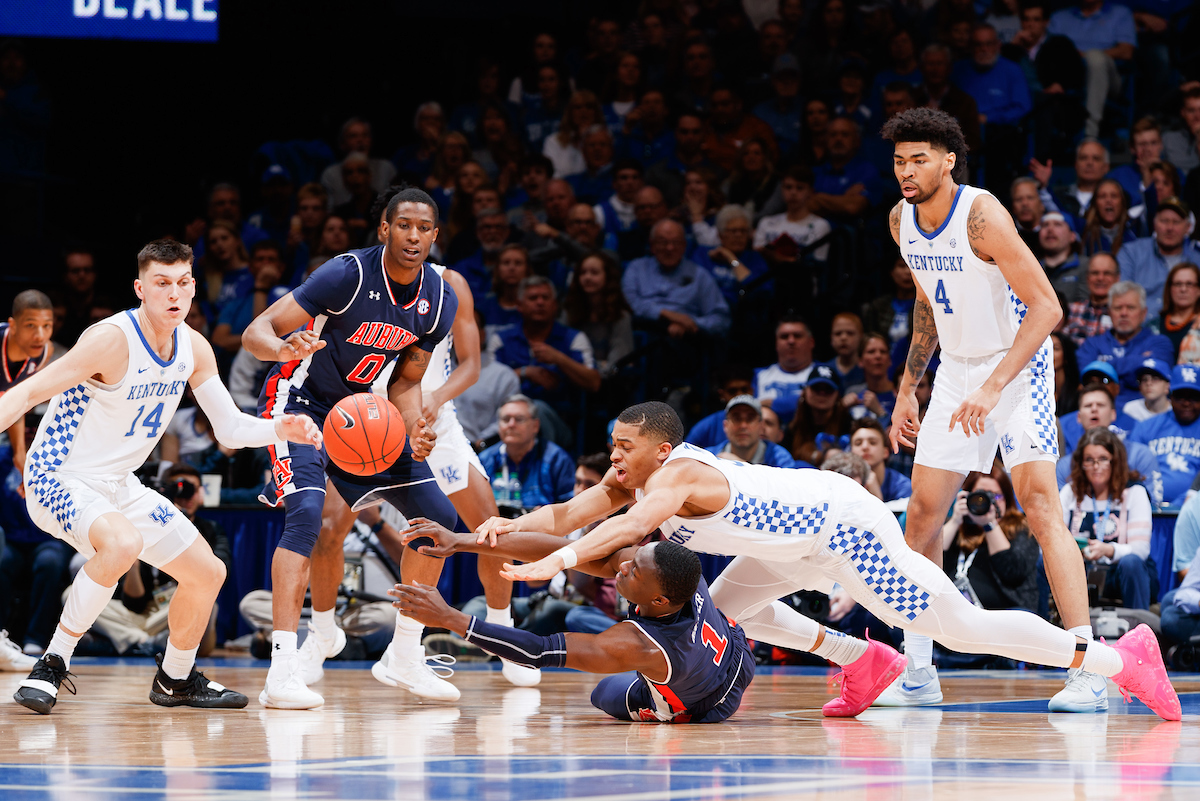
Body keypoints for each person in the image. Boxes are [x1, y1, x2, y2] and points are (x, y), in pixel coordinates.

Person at [466, 402, 1180, 721]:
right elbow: (565, 514)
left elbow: (629, 526)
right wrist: (498, 530)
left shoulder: (676, 478)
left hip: (845, 530)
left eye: (624, 448)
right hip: (793, 543)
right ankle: (862, 660)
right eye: (611, 447)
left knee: (961, 626)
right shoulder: (639, 474)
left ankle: (1119, 659)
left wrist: (555, 561)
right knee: (726, 611)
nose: (613, 459)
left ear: (660, 449)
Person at [5, 239, 322, 714]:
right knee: (122, 545)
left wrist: (282, 427)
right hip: (58, 475)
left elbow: (230, 429)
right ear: (140, 288)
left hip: (119, 481)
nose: (173, 294)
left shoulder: (194, 347)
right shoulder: (110, 339)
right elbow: (27, 392)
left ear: (193, 287)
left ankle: (175, 679)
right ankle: (51, 664)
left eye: (182, 283)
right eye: (161, 284)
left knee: (207, 572)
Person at [881, 107, 1110, 713]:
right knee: (922, 519)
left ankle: (1089, 668)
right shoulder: (900, 220)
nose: (907, 170)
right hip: (956, 370)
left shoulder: (980, 213)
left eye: (920, 159)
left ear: (949, 160)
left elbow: (1048, 308)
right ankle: (919, 671)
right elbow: (929, 306)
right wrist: (909, 387)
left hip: (1019, 361)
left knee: (1039, 507)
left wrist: (995, 386)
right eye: (900, 160)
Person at [243, 187, 463, 709]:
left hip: (365, 417)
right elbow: (257, 332)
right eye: (403, 225)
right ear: (384, 229)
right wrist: (283, 347)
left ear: (435, 235)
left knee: (439, 521)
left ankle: (404, 655)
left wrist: (415, 427)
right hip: (297, 403)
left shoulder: (440, 299)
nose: (413, 236)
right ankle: (282, 669)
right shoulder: (346, 275)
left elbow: (406, 384)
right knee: (309, 519)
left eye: (424, 228)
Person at [392, 537, 754, 723]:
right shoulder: (678, 574)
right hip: (736, 651)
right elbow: (574, 550)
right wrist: (462, 541)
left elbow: (539, 651)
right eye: (634, 558)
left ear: (658, 601)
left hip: (706, 703)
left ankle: (664, 704)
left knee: (603, 693)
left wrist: (450, 618)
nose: (625, 565)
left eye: (634, 571)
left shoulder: (642, 647)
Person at [88, 464, 232, 657]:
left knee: (206, 603)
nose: (184, 494)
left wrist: (182, 526)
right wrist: (133, 563)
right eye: (177, 488)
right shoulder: (142, 523)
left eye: (191, 489)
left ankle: (127, 642)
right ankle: (144, 642)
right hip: (142, 612)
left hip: (175, 604)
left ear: (200, 493)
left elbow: (218, 572)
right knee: (72, 594)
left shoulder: (210, 529)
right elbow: (134, 603)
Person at [1061, 428, 1156, 612]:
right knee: (1045, 563)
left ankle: (1139, 632)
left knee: (1132, 562)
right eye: (1089, 460)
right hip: (1080, 570)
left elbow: (1140, 550)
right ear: (1081, 463)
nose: (1096, 466)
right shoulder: (1070, 492)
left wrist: (1108, 550)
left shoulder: (1135, 492)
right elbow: (1053, 540)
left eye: (1103, 459)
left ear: (1115, 460)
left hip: (1120, 573)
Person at [942, 466, 1040, 612]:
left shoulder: (1021, 528)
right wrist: (955, 521)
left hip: (1004, 615)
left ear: (1007, 499)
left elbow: (1013, 572)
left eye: (996, 496)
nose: (986, 502)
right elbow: (930, 559)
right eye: (979, 496)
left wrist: (989, 524)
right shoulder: (958, 526)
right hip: (955, 613)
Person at [1076, 281, 1174, 410]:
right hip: (1100, 413)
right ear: (1109, 312)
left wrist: (1106, 367)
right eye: (1118, 308)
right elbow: (1088, 380)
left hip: (1145, 416)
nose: (1124, 313)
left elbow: (1159, 377)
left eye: (1130, 307)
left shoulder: (1160, 343)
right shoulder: (1092, 344)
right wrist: (1139, 362)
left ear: (1143, 313)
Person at [1047, 0, 1135, 139]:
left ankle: (1090, 134)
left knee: (1095, 58)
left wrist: (1087, 55)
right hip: (1071, 77)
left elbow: (1126, 51)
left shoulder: (1120, 13)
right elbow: (1049, 52)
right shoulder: (1059, 17)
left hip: (1111, 79)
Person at [478, 395, 575, 514]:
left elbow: (569, 507)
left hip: (541, 529)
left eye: (519, 419)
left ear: (535, 426)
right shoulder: (485, 460)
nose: (511, 424)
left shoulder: (557, 459)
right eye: (506, 419)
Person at [1128, 365, 1200, 507]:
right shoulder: (1146, 427)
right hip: (1149, 509)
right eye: (1180, 397)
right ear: (1170, 397)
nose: (1186, 403)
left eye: (1193, 397)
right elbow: (1132, 468)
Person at [1117, 198, 1200, 319]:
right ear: (1154, 224)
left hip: (1185, 330)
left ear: (1187, 227)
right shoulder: (1131, 253)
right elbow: (1121, 295)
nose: (1169, 228)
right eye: (1164, 221)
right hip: (1140, 329)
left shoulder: (1197, 261)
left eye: (1176, 222)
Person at [1, 290, 54, 473]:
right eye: (30, 325)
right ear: (13, 326)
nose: (40, 335)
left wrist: (20, 454)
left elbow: (15, 402)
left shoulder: (43, 353)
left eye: (47, 325)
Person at [560, 251, 634, 376]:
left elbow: (616, 364)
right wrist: (598, 365)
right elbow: (561, 355)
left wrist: (585, 370)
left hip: (610, 387)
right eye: (583, 273)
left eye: (594, 273)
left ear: (608, 277)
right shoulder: (569, 312)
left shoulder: (620, 316)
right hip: (573, 382)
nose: (587, 277)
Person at [784, 365, 852, 467]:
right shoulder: (792, 429)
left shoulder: (849, 426)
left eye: (828, 389)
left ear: (837, 394)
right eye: (816, 388)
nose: (822, 393)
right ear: (805, 391)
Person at [754, 317, 817, 428]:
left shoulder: (823, 373)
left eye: (797, 336)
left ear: (811, 342)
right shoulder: (758, 375)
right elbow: (750, 408)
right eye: (784, 337)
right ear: (776, 343)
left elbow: (820, 402)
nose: (791, 341)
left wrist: (772, 403)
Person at [320, 117, 397, 207]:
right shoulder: (330, 175)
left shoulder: (386, 169)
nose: (360, 140)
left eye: (365, 135)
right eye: (353, 136)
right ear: (342, 143)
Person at [707, 395, 798, 469]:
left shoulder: (779, 457)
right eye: (736, 418)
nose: (743, 425)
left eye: (750, 419)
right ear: (725, 426)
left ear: (761, 426)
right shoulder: (709, 457)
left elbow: (786, 489)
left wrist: (741, 466)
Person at [850, 419, 911, 504]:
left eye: (872, 442)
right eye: (858, 443)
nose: (865, 447)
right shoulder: (845, 484)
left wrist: (877, 499)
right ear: (851, 452)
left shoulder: (903, 487)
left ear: (885, 452)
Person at [1062, 253, 1118, 346]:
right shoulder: (1071, 310)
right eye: (1095, 273)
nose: (1100, 278)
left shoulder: (1124, 314)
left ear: (1117, 278)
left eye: (1107, 273)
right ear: (1087, 278)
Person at [1152, 261, 1200, 359]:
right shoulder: (1153, 326)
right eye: (1178, 284)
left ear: (1198, 290)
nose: (1183, 289)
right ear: (1169, 289)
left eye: (1189, 284)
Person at [1081, 178, 1138, 257]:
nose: (1108, 200)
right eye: (1102, 196)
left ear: (1122, 202)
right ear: (1095, 204)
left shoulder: (1135, 229)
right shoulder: (1084, 231)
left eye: (1114, 196)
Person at [1123, 358, 1171, 422]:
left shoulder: (1176, 411)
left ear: (1167, 386)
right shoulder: (1131, 410)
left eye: (1155, 379)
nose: (1148, 383)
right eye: (1144, 380)